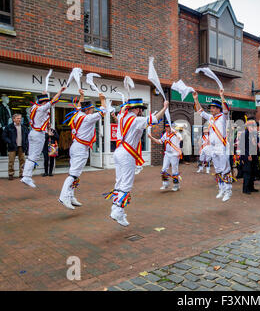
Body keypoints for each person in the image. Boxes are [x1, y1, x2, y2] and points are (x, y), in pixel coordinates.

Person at [104, 98, 169, 226]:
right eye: (140, 109)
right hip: (127, 154)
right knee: (126, 184)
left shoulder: (122, 117)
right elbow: (154, 119)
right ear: (137, 109)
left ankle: (116, 209)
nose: (141, 112)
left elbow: (121, 113)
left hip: (118, 152)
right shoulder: (135, 120)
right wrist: (165, 108)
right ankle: (117, 210)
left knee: (120, 181)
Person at [59, 90, 107, 210]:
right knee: (73, 174)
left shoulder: (77, 115)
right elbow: (103, 112)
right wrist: (102, 99)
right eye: (91, 109)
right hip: (80, 148)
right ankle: (63, 196)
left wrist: (81, 96)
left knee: (76, 173)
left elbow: (79, 106)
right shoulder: (87, 118)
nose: (92, 111)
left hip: (78, 146)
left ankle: (70, 195)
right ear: (87, 110)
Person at [193, 89, 233, 202]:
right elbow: (200, 111)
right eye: (210, 108)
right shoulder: (211, 118)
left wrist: (222, 96)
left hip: (223, 145)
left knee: (225, 169)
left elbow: (226, 109)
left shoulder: (224, 117)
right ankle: (221, 189)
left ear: (218, 109)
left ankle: (228, 190)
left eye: (213, 107)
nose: (211, 109)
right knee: (218, 169)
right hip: (214, 147)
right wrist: (196, 99)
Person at [21, 87, 65, 188]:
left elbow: (41, 102)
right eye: (46, 102)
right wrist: (60, 91)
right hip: (38, 134)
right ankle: (26, 176)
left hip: (33, 133)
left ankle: (26, 175)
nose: (48, 104)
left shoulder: (34, 107)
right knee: (34, 156)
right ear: (44, 103)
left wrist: (43, 95)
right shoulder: (41, 109)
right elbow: (53, 101)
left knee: (31, 155)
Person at [148, 123, 183, 191]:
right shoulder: (165, 134)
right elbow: (160, 141)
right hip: (167, 154)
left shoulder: (177, 134)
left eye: (168, 127)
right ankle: (165, 184)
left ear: (172, 127)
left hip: (175, 154)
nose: (167, 128)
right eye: (166, 127)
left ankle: (176, 185)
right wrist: (151, 138)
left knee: (174, 170)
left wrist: (176, 134)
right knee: (163, 169)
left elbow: (181, 139)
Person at [2, 113, 29, 180]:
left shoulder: (24, 127)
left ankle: (22, 174)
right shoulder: (9, 127)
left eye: (20, 118)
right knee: (11, 161)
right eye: (17, 118)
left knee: (22, 160)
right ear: (13, 119)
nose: (19, 120)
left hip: (21, 146)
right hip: (12, 146)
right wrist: (9, 142)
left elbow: (27, 137)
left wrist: (25, 143)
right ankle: (11, 174)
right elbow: (4, 136)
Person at [240, 117, 259, 194]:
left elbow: (257, 143)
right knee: (247, 172)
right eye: (251, 125)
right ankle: (245, 188)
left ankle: (251, 187)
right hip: (247, 155)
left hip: (254, 155)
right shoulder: (244, 134)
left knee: (253, 172)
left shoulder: (254, 134)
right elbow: (242, 146)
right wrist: (247, 155)